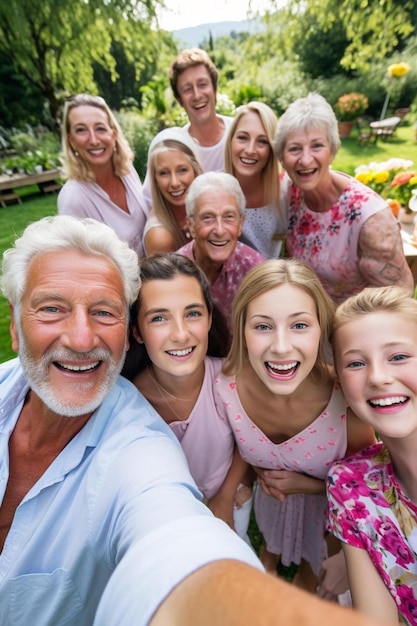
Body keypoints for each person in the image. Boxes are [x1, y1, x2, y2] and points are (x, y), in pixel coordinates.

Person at [0, 215, 382, 626]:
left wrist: (228, 496)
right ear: (15, 323)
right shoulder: (31, 385)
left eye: (103, 312)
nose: (80, 338)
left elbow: (173, 537)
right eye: (52, 308)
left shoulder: (142, 439)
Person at [213, 258, 376, 594]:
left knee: (312, 571)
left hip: (329, 514)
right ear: (241, 330)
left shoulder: (346, 399)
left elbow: (365, 484)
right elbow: (239, 445)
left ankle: (304, 574)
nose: (282, 346)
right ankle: (269, 558)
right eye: (262, 326)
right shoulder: (225, 388)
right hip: (271, 502)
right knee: (273, 536)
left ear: (322, 329)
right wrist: (226, 496)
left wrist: (309, 486)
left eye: (300, 325)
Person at [122, 253, 253, 540]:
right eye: (159, 318)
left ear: (208, 318)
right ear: (138, 332)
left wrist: (225, 495)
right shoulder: (125, 403)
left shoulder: (231, 380)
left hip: (228, 498)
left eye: (192, 313)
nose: (180, 334)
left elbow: (247, 441)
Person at [327, 285, 417, 625]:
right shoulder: (351, 485)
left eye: (398, 357)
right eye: (356, 363)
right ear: (341, 385)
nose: (378, 377)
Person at [274, 92, 414, 303]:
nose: (305, 159)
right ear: (282, 158)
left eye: (317, 146)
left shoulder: (369, 219)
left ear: (332, 150)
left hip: (354, 327)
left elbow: (399, 297)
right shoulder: (290, 190)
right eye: (294, 149)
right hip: (307, 319)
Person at [141, 48, 233, 211]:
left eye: (202, 84)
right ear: (180, 100)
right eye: (187, 89)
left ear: (214, 89)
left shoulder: (238, 135)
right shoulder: (175, 147)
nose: (197, 95)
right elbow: (149, 203)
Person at [58, 93, 148, 257]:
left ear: (113, 134)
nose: (93, 140)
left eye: (100, 128)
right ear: (71, 141)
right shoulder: (73, 199)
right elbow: (80, 265)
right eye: (81, 130)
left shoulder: (126, 171)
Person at [176, 171, 265, 326]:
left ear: (241, 223)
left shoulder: (256, 271)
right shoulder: (173, 274)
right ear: (191, 225)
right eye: (207, 217)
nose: (219, 230)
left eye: (228, 217)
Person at [224, 101, 285, 259]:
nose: (250, 150)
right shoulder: (214, 189)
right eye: (242, 138)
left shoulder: (285, 193)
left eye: (262, 141)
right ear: (230, 140)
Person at [143, 127, 203, 255]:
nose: (175, 183)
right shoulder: (160, 236)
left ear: (195, 170)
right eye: (164, 173)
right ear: (155, 179)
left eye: (182, 170)